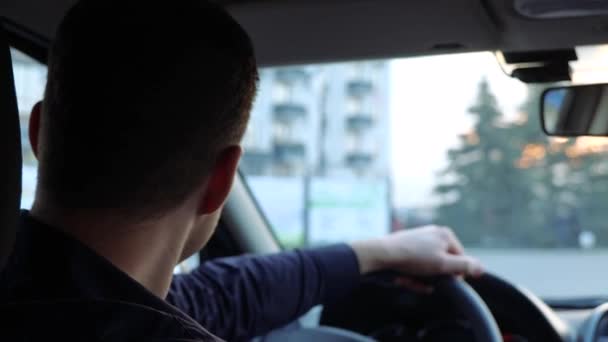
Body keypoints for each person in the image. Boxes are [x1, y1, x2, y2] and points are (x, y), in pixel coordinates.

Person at [0, 0, 483, 341]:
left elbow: (218, 297)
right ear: (221, 181)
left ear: (39, 132)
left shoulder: (27, 282)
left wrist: (379, 252)